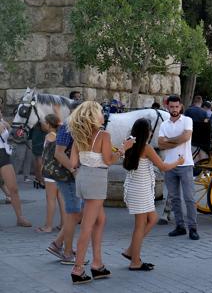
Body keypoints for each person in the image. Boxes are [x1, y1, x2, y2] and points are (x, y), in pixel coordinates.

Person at [69, 101, 133, 284]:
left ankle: (97, 264)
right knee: (87, 226)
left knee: (100, 219)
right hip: (96, 179)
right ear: (94, 116)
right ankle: (78, 268)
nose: (103, 115)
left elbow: (73, 163)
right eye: (100, 112)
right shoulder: (103, 135)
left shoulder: (78, 135)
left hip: (83, 178)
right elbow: (108, 160)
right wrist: (123, 149)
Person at [122, 119, 184, 271]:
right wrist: (179, 161)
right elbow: (163, 166)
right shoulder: (146, 148)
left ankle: (131, 251)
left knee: (153, 218)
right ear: (147, 132)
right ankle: (135, 261)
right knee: (140, 226)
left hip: (136, 188)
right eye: (150, 130)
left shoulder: (129, 144)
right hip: (140, 190)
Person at [46, 101, 84, 266]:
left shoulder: (75, 125)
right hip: (67, 176)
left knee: (76, 214)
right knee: (73, 214)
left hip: (71, 176)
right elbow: (59, 153)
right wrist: (74, 171)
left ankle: (57, 244)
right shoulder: (68, 126)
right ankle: (67, 253)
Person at [158, 95, 199, 240]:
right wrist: (176, 141)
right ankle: (180, 227)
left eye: (177, 107)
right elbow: (160, 144)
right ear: (167, 107)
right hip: (169, 165)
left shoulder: (187, 120)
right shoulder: (164, 125)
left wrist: (168, 140)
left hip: (185, 164)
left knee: (189, 198)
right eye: (171, 107)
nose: (174, 109)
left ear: (180, 106)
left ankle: (193, 228)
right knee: (174, 198)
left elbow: (186, 137)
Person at [0, 113, 31, 227]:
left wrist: (6, 126)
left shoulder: (3, 122)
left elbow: (10, 134)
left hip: (3, 154)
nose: (1, 113)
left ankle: (20, 217)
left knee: (13, 188)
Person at [37, 114, 65, 233]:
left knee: (50, 199)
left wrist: (40, 171)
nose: (43, 124)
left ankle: (48, 226)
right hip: (62, 170)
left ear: (49, 124)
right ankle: (63, 225)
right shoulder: (61, 135)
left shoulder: (49, 136)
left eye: (45, 122)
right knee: (61, 199)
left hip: (50, 171)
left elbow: (45, 156)